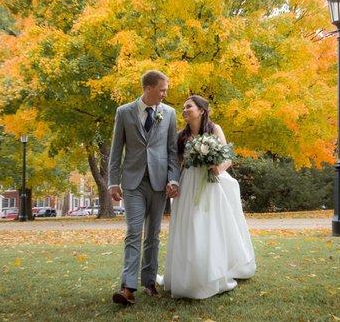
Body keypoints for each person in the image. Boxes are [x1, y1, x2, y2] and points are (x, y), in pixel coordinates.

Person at [159, 95, 256, 299]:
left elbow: (227, 157)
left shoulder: (214, 129)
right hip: (188, 184)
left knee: (208, 226)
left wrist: (217, 168)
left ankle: (214, 273)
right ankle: (188, 276)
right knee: (190, 226)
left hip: (210, 184)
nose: (184, 110)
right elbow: (176, 163)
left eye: (189, 107)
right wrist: (173, 182)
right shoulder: (180, 136)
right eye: (183, 107)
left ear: (201, 110)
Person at [108, 70, 181, 305]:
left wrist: (174, 179)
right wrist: (112, 181)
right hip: (133, 183)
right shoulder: (124, 112)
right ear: (148, 88)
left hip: (160, 183)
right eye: (162, 89)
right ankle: (127, 287)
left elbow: (171, 150)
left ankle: (149, 281)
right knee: (134, 231)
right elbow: (116, 149)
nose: (165, 93)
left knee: (153, 234)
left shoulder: (169, 113)